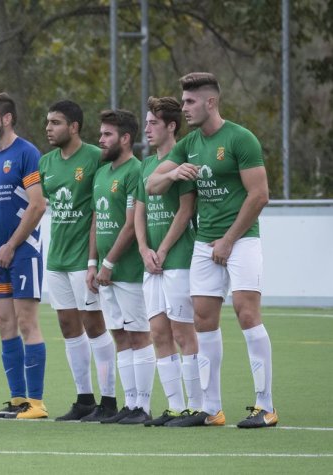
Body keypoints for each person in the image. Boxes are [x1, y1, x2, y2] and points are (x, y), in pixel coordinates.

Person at [146, 72, 275, 428]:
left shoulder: (240, 138)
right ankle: (211, 408)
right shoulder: (188, 144)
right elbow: (152, 185)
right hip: (205, 244)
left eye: (190, 101)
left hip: (242, 240)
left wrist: (230, 239)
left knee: (247, 313)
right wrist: (172, 175)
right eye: (184, 101)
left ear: (211, 102)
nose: (184, 107)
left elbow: (259, 195)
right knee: (203, 320)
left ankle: (266, 406)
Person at [38, 100, 118, 422]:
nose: (48, 128)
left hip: (83, 259)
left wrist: (95, 258)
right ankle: (84, 399)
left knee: (95, 325)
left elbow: (104, 206)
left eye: (56, 122)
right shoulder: (46, 163)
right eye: (47, 122)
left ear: (73, 127)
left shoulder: (96, 158)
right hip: (56, 258)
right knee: (68, 326)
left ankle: (109, 400)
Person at [0, 93, 48, 420]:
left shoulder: (27, 153)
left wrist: (10, 246)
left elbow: (37, 204)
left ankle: (36, 403)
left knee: (25, 321)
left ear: (6, 119)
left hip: (23, 252)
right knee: (4, 322)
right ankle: (18, 399)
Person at [133, 97, 202, 426]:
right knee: (158, 333)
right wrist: (145, 249)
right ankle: (175, 406)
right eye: (146, 123)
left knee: (183, 332)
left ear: (171, 126)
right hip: (152, 262)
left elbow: (186, 211)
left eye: (153, 123)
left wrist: (163, 250)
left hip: (178, 260)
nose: (146, 129)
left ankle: (197, 406)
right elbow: (139, 213)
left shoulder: (185, 162)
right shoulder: (146, 166)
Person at [86, 109, 155, 424]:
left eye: (107, 134)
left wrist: (110, 262)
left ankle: (143, 406)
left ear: (125, 138)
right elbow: (97, 220)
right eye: (101, 134)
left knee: (139, 335)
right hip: (104, 273)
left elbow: (131, 225)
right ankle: (129, 404)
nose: (100, 140)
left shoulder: (135, 172)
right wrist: (92, 263)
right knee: (120, 336)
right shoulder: (102, 173)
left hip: (127, 271)